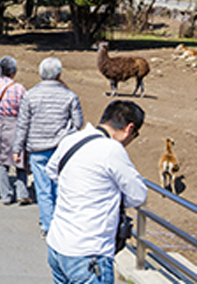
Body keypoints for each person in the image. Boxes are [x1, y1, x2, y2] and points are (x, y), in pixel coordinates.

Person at [46, 100, 147, 284]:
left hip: (58, 245)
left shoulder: (72, 139)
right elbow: (138, 195)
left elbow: (52, 170)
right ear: (129, 129)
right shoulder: (111, 149)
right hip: (89, 253)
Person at [13, 57, 84, 237]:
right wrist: (66, 133)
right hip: (61, 149)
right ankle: (62, 223)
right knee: (60, 188)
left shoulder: (30, 95)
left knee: (43, 189)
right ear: (59, 74)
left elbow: (22, 124)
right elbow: (78, 123)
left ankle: (48, 225)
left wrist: (17, 148)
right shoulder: (69, 96)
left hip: (37, 148)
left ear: (40, 74)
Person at [0, 56, 30, 205]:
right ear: (14, 71)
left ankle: (6, 195)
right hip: (15, 123)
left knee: (0, 161)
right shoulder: (20, 88)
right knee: (19, 159)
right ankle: (22, 192)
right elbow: (25, 111)